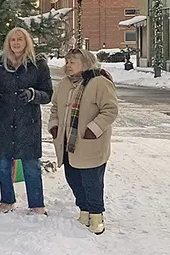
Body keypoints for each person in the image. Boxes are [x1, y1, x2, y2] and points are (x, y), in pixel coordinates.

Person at [0, 27, 53, 215]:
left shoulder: (38, 64)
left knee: (31, 164)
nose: (15, 43)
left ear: (26, 42)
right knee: (4, 163)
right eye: (12, 40)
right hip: (3, 119)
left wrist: (33, 94)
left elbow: (48, 94)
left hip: (27, 122)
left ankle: (37, 204)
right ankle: (7, 200)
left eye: (19, 40)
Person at [49, 48, 118, 235]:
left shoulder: (99, 83)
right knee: (73, 178)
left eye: (73, 62)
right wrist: (54, 125)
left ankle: (97, 215)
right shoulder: (64, 83)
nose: (68, 66)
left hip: (90, 143)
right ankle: (84, 210)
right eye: (67, 62)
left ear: (86, 63)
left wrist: (93, 129)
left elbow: (110, 110)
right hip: (67, 143)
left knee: (91, 181)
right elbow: (55, 107)